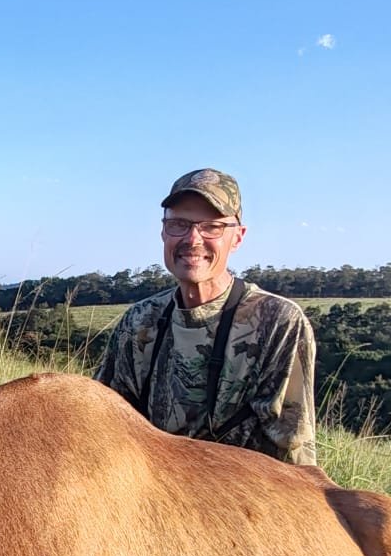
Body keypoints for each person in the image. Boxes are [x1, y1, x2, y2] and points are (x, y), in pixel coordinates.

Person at [95, 168, 318, 465]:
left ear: (237, 238)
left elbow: (293, 449)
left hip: (239, 500)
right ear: (163, 232)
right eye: (179, 225)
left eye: (212, 227)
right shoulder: (139, 322)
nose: (193, 239)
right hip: (148, 496)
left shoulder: (278, 322)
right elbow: (102, 428)